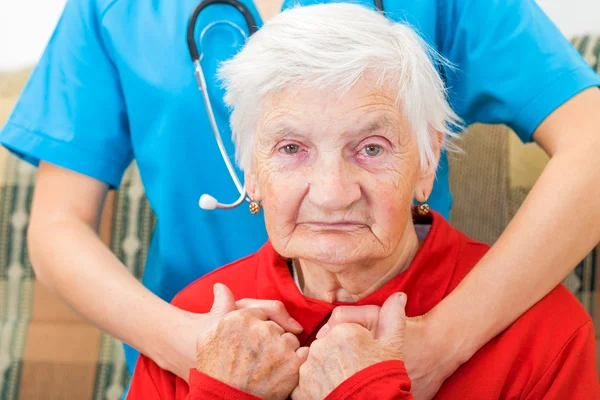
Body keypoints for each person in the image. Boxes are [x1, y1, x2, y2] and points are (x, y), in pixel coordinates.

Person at [1, 0, 599, 397]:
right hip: (195, 340)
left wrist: (441, 344)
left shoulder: (540, 341)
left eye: (370, 147)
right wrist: (188, 348)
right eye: (289, 149)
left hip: (433, 317)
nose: (331, 193)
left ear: (426, 160)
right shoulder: (113, 11)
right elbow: (58, 227)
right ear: (251, 170)